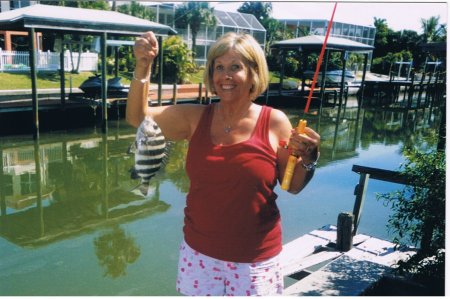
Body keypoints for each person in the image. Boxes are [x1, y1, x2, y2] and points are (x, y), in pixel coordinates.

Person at [127, 31, 320, 296]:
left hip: (255, 261)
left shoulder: (275, 122)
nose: (225, 76)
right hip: (199, 257)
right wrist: (143, 65)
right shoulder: (194, 118)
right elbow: (139, 118)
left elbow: (293, 186)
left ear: (253, 73)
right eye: (219, 67)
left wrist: (310, 158)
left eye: (235, 67)